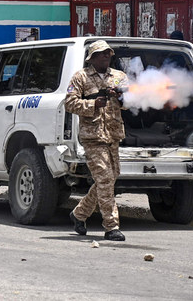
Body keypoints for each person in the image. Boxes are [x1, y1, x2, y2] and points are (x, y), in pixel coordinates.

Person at [64, 40, 128, 242]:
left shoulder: (119, 77)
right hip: (93, 137)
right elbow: (69, 103)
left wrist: (121, 98)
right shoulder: (81, 77)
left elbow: (130, 101)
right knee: (105, 179)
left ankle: (79, 214)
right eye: (101, 54)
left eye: (108, 53)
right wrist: (93, 103)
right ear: (91, 58)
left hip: (113, 134)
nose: (106, 56)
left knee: (110, 177)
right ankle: (111, 226)